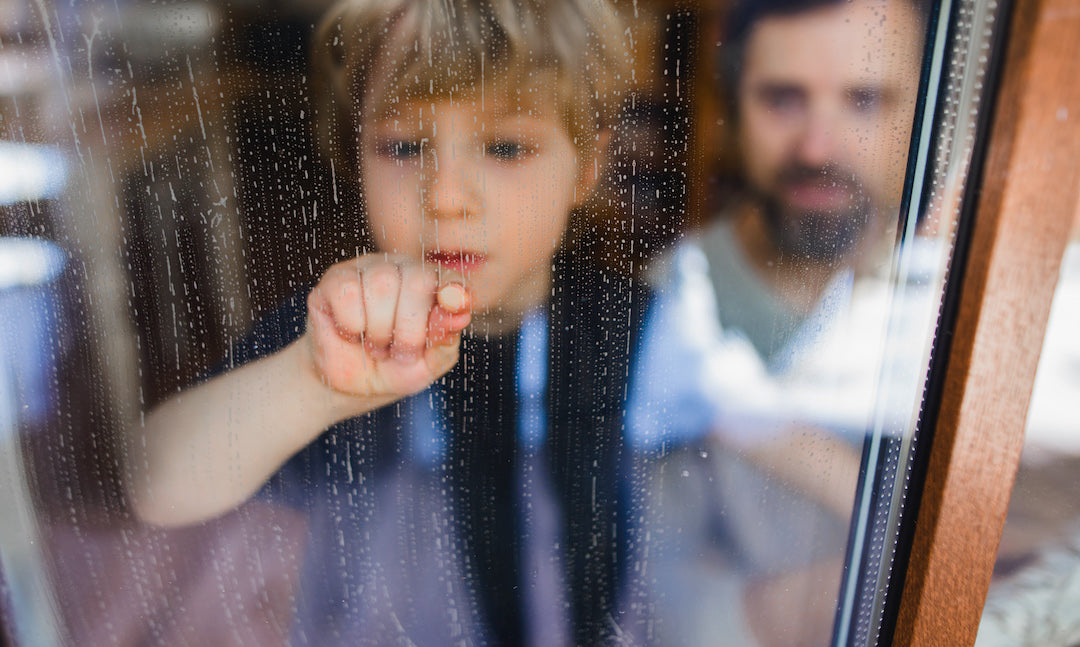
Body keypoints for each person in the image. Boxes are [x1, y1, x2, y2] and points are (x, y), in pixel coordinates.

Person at [120, 1, 681, 645]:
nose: (446, 196)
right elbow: (154, 484)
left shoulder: (642, 331)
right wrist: (309, 382)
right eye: (405, 146)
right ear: (356, 154)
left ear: (586, 166)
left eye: (505, 147)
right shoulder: (338, 334)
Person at [644, 1, 932, 645]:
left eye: (866, 100)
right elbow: (647, 610)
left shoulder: (966, 297)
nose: (817, 146)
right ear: (732, 107)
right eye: (782, 99)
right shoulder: (664, 312)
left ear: (926, 109)